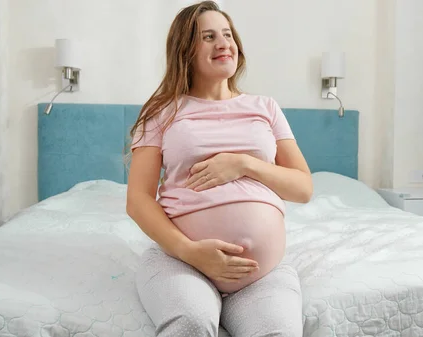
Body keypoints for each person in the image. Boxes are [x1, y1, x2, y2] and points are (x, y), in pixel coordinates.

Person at [126, 1, 312, 336]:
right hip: (181, 263)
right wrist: (190, 251)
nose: (224, 43)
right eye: (209, 37)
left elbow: (303, 188)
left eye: (227, 34)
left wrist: (243, 164)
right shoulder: (163, 112)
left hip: (260, 275)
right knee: (191, 323)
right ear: (186, 50)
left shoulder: (265, 107)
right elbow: (138, 200)